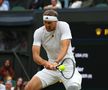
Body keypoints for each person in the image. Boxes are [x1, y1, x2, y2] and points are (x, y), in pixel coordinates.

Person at [25, 9, 82, 90]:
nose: (47, 25)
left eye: (49, 23)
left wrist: (56, 61)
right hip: (51, 68)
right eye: (45, 22)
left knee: (73, 88)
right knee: (29, 87)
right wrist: (45, 63)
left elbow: (64, 47)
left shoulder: (63, 26)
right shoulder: (38, 32)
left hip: (68, 67)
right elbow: (35, 56)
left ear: (56, 21)